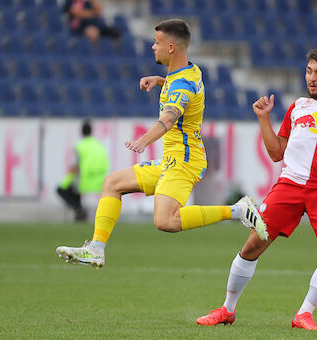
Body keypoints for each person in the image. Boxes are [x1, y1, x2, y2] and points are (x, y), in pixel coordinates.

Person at [55, 19, 267, 268]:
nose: (152, 48)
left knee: (165, 221)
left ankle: (238, 211)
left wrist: (142, 141)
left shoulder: (181, 84)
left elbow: (169, 117)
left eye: (156, 43)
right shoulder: (188, 71)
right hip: (173, 159)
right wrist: (159, 80)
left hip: (184, 162)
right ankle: (96, 249)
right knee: (113, 183)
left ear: (171, 48)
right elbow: (186, 92)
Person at [196, 48, 317, 331]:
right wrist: (263, 118)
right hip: (290, 186)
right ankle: (227, 308)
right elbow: (276, 153)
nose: (311, 78)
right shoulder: (297, 107)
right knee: (252, 245)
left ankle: (304, 314)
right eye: (309, 71)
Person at [56, 121, 109, 221]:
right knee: (74, 187)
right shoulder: (99, 145)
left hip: (84, 182)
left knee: (61, 189)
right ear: (91, 131)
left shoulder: (80, 146)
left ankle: (78, 209)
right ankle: (81, 212)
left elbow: (74, 167)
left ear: (81, 132)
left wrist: (67, 180)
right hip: (101, 182)